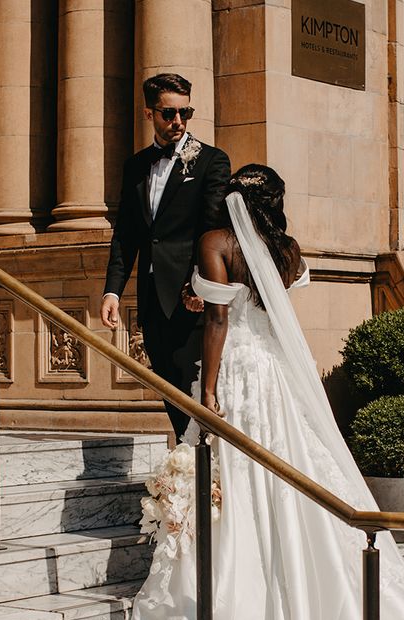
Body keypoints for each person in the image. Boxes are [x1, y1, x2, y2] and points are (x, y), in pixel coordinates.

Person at [126, 165, 404, 620]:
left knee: (239, 478)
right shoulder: (287, 249)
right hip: (276, 372)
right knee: (284, 474)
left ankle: (226, 613)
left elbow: (219, 322)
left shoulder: (215, 241)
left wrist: (206, 393)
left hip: (239, 369)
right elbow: (267, 307)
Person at [101, 73, 231, 439]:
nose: (178, 122)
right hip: (152, 298)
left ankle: (207, 474)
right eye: (169, 113)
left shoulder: (211, 161)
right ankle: (189, 471)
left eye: (185, 112)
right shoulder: (136, 166)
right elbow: (126, 234)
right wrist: (113, 290)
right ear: (149, 114)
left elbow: (212, 229)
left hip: (194, 299)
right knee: (168, 386)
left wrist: (197, 284)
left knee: (197, 388)